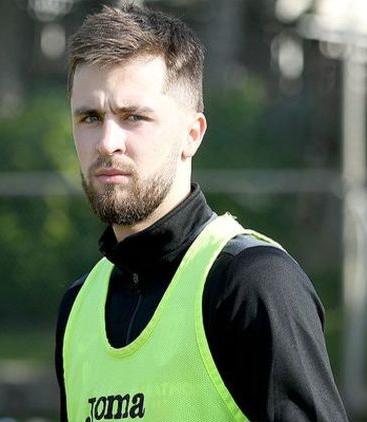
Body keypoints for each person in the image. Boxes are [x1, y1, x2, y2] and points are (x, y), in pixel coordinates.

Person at [55, 4, 348, 421]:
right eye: (90, 117)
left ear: (191, 135)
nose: (106, 142)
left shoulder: (253, 285)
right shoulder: (77, 308)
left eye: (133, 116)